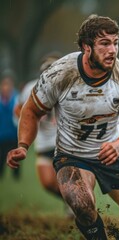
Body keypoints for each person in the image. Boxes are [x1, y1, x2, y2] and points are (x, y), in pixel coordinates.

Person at [7, 15, 119, 240]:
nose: (112, 50)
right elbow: (31, 110)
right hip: (71, 155)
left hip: (111, 155)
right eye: (104, 43)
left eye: (115, 42)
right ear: (86, 46)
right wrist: (24, 145)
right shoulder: (60, 73)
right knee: (81, 204)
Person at [14, 53, 70, 210]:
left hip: (66, 142)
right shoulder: (31, 89)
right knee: (47, 183)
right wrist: (33, 118)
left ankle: (77, 205)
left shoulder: (70, 86)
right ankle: (71, 202)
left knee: (70, 181)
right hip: (44, 142)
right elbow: (19, 110)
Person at [0, 71, 19, 180]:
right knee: (1, 157)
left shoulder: (17, 98)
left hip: (13, 134)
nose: (6, 87)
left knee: (15, 156)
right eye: (4, 85)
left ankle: (16, 178)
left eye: (8, 85)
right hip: (1, 134)